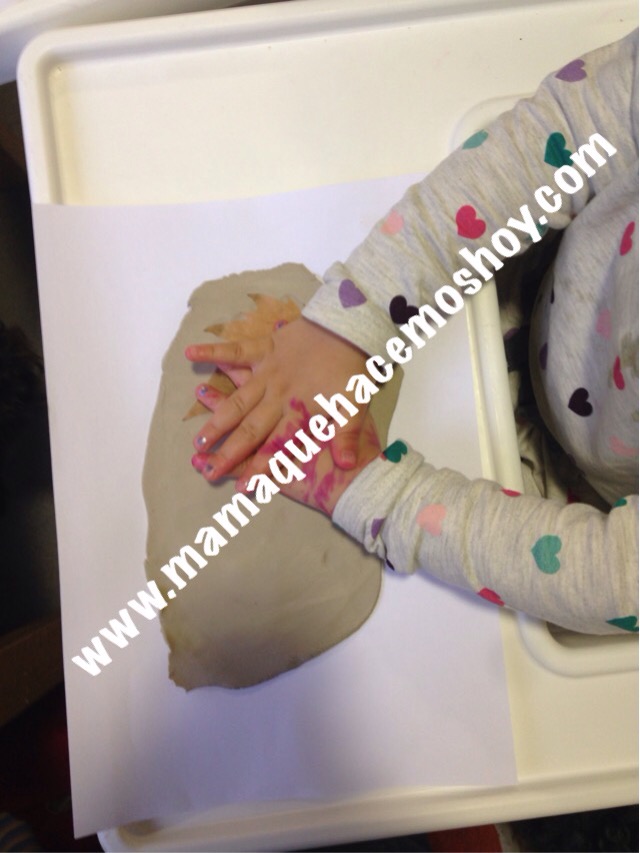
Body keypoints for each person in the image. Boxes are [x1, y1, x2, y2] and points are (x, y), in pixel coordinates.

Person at [186, 29, 638, 636]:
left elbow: (617, 577)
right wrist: (352, 318)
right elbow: (575, 129)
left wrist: (385, 497)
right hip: (539, 290)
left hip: (580, 496)